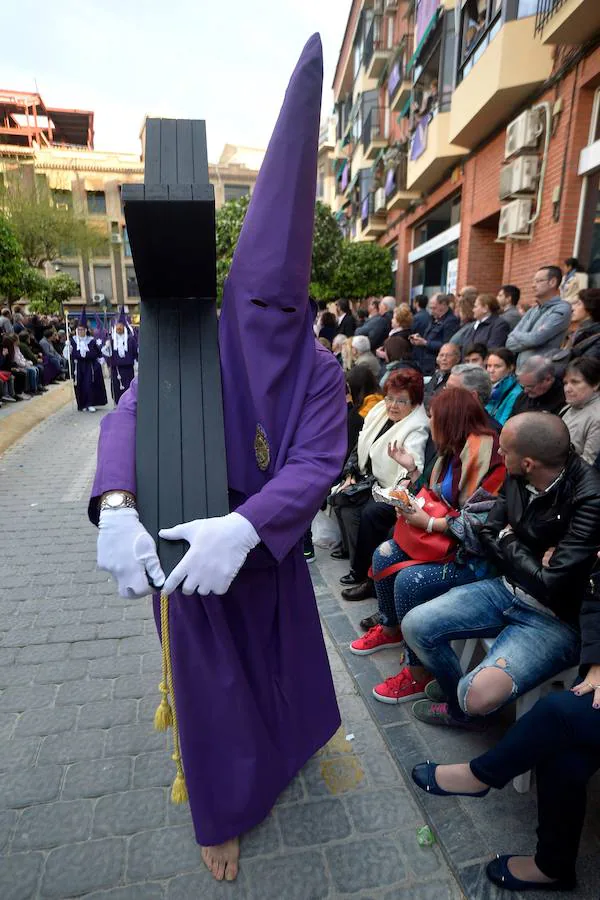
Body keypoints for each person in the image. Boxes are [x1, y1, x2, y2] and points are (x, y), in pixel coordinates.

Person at [90, 35, 348, 883]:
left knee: (281, 660)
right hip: (184, 522)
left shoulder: (320, 368)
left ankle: (290, 746)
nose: (270, 319)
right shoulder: (199, 337)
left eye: (288, 305)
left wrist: (246, 527)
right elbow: (134, 409)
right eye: (257, 302)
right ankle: (223, 809)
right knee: (213, 686)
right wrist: (122, 503)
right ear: (236, 292)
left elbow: (316, 462)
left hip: (259, 542)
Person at [402, 413, 600, 730]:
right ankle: (458, 704)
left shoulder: (589, 496)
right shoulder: (518, 474)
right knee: (415, 625)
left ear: (529, 463)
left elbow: (552, 584)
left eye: (505, 451)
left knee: (476, 696)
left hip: (555, 618)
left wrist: (510, 539)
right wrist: (529, 555)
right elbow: (487, 532)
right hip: (506, 586)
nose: (499, 455)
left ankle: (465, 701)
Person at [410, 570, 600, 893]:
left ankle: (481, 776)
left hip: (554, 615)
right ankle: (554, 867)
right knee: (564, 753)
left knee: (557, 714)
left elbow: (566, 568)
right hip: (524, 592)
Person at [349, 388, 505, 703]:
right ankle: (391, 628)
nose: (430, 424)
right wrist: (412, 472)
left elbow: (481, 526)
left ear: (450, 420)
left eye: (434, 418)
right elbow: (437, 496)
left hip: (474, 558)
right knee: (383, 553)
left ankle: (418, 671)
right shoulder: (452, 450)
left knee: (409, 580)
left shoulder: (491, 460)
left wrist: (429, 523)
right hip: (442, 543)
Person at [331, 369, 430, 601]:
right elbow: (361, 444)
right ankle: (354, 560)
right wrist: (351, 473)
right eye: (390, 398)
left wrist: (391, 491)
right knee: (341, 497)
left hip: (394, 489)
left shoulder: (417, 426)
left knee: (371, 513)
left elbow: (412, 468)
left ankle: (369, 578)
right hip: (371, 478)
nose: (393, 405)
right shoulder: (379, 411)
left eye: (401, 400)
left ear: (414, 403)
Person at [506, 265, 571, 367]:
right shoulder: (532, 310)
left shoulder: (561, 309)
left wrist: (516, 335)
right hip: (521, 372)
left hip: (541, 373)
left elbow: (536, 339)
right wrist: (525, 338)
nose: (533, 285)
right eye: (533, 281)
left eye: (539, 281)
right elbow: (509, 343)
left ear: (552, 282)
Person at [560, 357, 600, 465]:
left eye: (575, 382)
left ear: (595, 384)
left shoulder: (597, 418)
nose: (567, 389)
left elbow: (588, 464)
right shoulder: (569, 406)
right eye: (565, 383)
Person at [64, 317, 108, 412]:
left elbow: (98, 353)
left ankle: (90, 403)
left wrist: (100, 361)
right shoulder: (73, 341)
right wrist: (67, 347)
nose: (80, 331)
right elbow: (68, 355)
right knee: (79, 385)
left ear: (86, 330)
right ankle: (82, 404)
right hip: (78, 366)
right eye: (78, 330)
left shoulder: (91, 341)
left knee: (88, 384)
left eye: (82, 330)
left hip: (89, 366)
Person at [409, 293, 460, 375]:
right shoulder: (433, 319)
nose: (432, 311)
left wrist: (425, 343)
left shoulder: (451, 321)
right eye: (431, 308)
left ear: (443, 305)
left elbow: (447, 345)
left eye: (434, 308)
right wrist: (419, 339)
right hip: (424, 363)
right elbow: (429, 337)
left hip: (436, 365)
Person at [551, 287, 600, 371]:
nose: (573, 308)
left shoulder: (596, 340)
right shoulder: (577, 333)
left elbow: (582, 369)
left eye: (579, 304)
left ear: (590, 307)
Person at [102, 318, 138, 405]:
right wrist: (107, 347)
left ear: (124, 326)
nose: (119, 327)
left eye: (120, 325)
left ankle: (128, 404)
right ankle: (117, 403)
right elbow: (108, 354)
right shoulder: (111, 340)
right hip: (116, 369)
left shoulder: (130, 339)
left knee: (128, 387)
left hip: (128, 369)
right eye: (117, 325)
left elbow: (135, 353)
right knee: (116, 387)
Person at [485, 347, 522, 426]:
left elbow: (503, 424)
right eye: (489, 366)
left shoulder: (516, 393)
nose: (491, 370)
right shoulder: (485, 386)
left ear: (510, 368)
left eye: (497, 366)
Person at [424, 342, 461, 410]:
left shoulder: (456, 379)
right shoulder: (437, 374)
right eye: (441, 355)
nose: (444, 358)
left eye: (448, 355)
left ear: (457, 359)